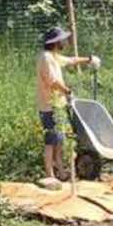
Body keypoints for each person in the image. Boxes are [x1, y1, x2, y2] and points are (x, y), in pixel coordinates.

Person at [35, 26, 99, 185]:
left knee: (59, 140)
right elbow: (52, 82)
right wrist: (67, 91)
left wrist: (89, 59)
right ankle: (49, 174)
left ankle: (61, 171)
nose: (65, 41)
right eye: (62, 39)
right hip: (50, 105)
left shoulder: (53, 56)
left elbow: (71, 60)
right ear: (56, 42)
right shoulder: (46, 58)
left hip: (58, 104)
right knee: (51, 141)